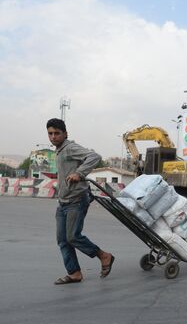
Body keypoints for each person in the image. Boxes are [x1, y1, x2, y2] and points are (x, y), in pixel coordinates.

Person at [47, 118, 115, 285]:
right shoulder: (59, 150)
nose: (53, 137)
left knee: (72, 237)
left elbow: (94, 156)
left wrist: (80, 173)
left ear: (65, 134)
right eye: (50, 133)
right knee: (62, 240)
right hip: (63, 202)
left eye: (57, 133)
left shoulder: (70, 148)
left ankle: (104, 256)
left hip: (76, 200)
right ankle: (74, 273)